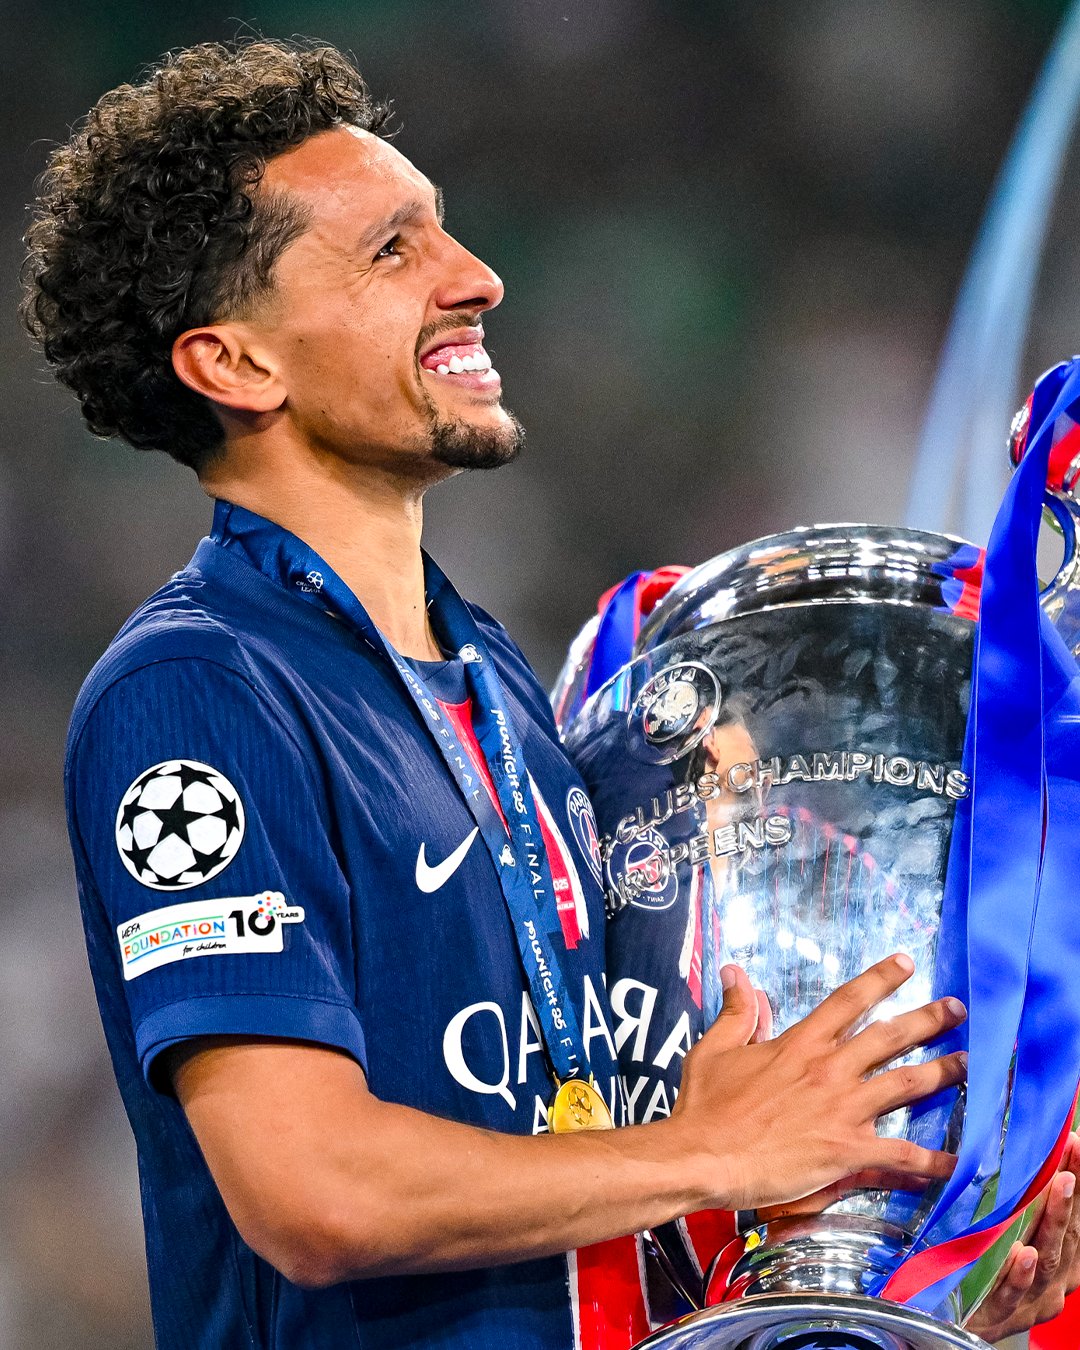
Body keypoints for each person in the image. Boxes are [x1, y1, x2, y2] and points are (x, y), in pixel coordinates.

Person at [20, 37, 1077, 1350]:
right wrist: (714, 1150)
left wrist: (901, 1251)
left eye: (443, 231)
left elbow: (580, 1169)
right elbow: (315, 1191)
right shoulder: (202, 687)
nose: (476, 276)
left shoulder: (496, 686)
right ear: (236, 366)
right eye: (392, 252)